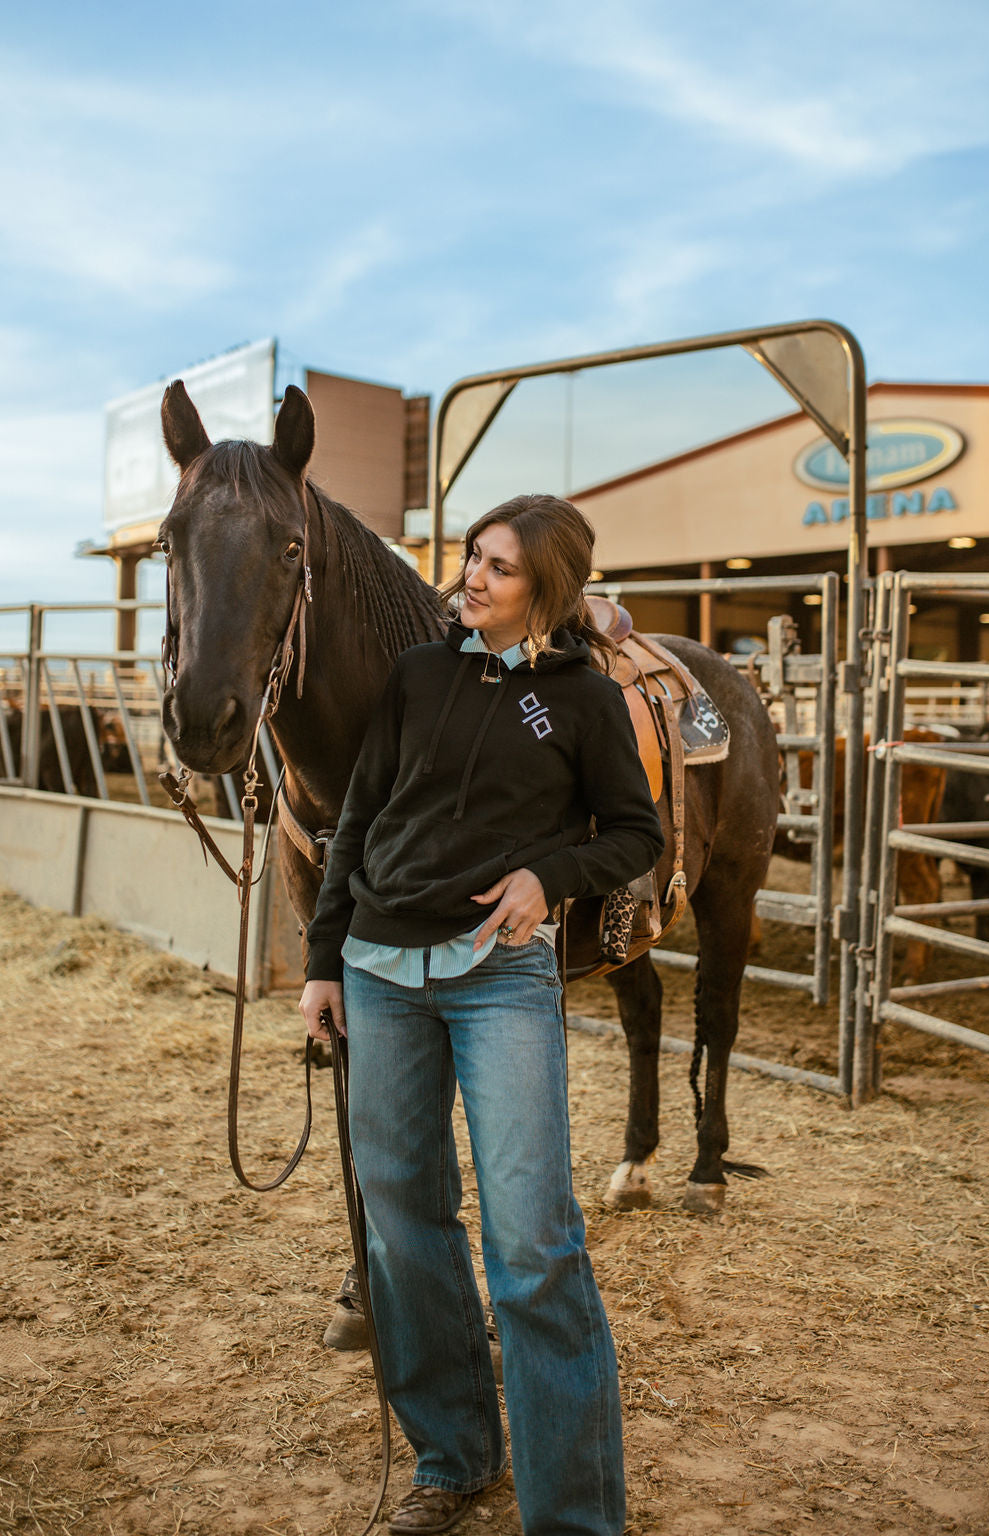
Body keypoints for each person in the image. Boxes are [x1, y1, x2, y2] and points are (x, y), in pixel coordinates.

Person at [299, 493, 664, 1536]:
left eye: (498, 568)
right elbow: (359, 820)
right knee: (404, 1229)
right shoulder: (416, 676)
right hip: (377, 973)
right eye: (470, 556)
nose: (471, 576)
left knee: (533, 1244)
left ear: (545, 591)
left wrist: (548, 877)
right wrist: (324, 961)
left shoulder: (584, 702)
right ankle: (453, 1459)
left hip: (498, 979)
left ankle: (575, 1515)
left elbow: (632, 834)